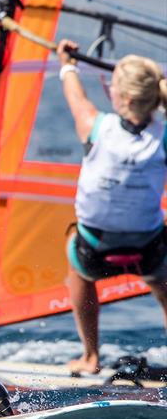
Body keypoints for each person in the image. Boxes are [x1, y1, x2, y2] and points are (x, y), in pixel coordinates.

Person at [56, 40, 167, 375]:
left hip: (94, 249)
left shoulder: (95, 125)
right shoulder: (163, 136)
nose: (110, 89)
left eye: (113, 85)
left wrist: (67, 64)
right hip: (149, 248)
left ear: (126, 99)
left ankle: (90, 356)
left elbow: (75, 97)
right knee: (164, 283)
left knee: (76, 270)